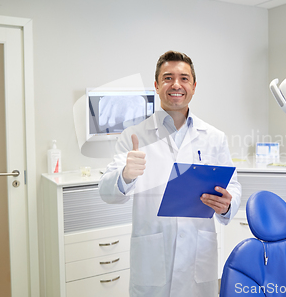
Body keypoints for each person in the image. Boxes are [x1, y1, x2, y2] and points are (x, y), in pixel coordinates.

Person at [99, 50, 241, 297]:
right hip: (153, 258)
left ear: (194, 86)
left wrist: (228, 204)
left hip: (199, 256)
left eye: (184, 78)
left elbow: (234, 186)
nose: (176, 85)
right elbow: (107, 193)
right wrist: (125, 175)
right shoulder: (134, 136)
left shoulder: (214, 137)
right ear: (156, 85)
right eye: (168, 78)